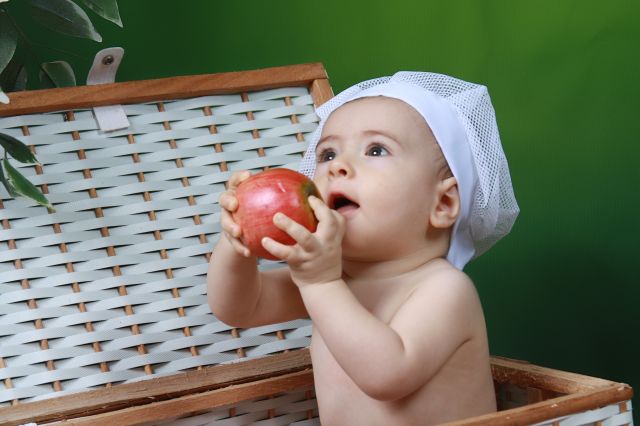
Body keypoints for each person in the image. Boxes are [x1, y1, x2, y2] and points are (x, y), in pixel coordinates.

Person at [207, 71, 519, 425]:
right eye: (327, 154)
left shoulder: (445, 290)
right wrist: (237, 242)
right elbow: (240, 307)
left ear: (443, 203)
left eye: (376, 150)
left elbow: (386, 376)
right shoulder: (329, 276)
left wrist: (320, 284)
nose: (337, 166)